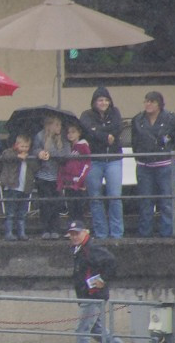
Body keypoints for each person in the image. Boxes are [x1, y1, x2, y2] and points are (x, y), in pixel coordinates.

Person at [62, 220, 138, 343]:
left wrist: (103, 279)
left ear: (86, 232)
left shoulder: (91, 249)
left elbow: (111, 262)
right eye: (73, 234)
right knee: (99, 332)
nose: (74, 236)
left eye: (77, 233)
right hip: (88, 296)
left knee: (82, 331)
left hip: (92, 297)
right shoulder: (80, 249)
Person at [131, 91, 175, 238]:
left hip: (166, 165)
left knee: (167, 203)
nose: (148, 104)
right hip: (145, 166)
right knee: (145, 203)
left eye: (152, 101)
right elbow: (134, 142)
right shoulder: (137, 120)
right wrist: (139, 157)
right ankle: (145, 235)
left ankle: (167, 236)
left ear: (159, 104)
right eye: (146, 101)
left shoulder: (171, 119)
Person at [79, 87, 125, 239]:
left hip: (113, 160)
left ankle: (117, 232)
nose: (103, 102)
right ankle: (101, 233)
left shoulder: (115, 112)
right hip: (94, 160)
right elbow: (87, 129)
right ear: (94, 102)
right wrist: (105, 136)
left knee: (114, 197)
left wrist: (97, 131)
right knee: (95, 198)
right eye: (100, 100)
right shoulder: (86, 115)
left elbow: (118, 127)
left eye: (106, 100)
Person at [32, 115, 70, 239]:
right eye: (57, 125)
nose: (59, 127)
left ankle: (55, 228)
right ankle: (45, 229)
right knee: (45, 203)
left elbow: (66, 154)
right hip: (43, 175)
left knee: (56, 203)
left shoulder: (63, 138)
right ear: (49, 126)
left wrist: (52, 154)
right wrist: (39, 153)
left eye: (60, 124)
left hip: (57, 176)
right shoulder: (39, 136)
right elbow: (34, 149)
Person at [0, 133, 36, 241]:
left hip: (25, 188)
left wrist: (28, 159)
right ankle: (8, 233)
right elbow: (5, 156)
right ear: (16, 145)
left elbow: (36, 167)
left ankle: (21, 233)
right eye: (22, 146)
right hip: (12, 187)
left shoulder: (30, 156)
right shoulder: (10, 152)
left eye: (26, 147)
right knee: (10, 213)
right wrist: (18, 156)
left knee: (22, 213)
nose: (24, 149)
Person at [57, 123, 91, 224]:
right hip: (68, 182)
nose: (70, 135)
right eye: (68, 132)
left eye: (73, 132)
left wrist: (80, 179)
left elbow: (87, 163)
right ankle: (72, 228)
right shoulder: (66, 147)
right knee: (71, 206)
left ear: (79, 133)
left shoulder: (83, 146)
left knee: (79, 207)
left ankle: (80, 228)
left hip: (78, 182)